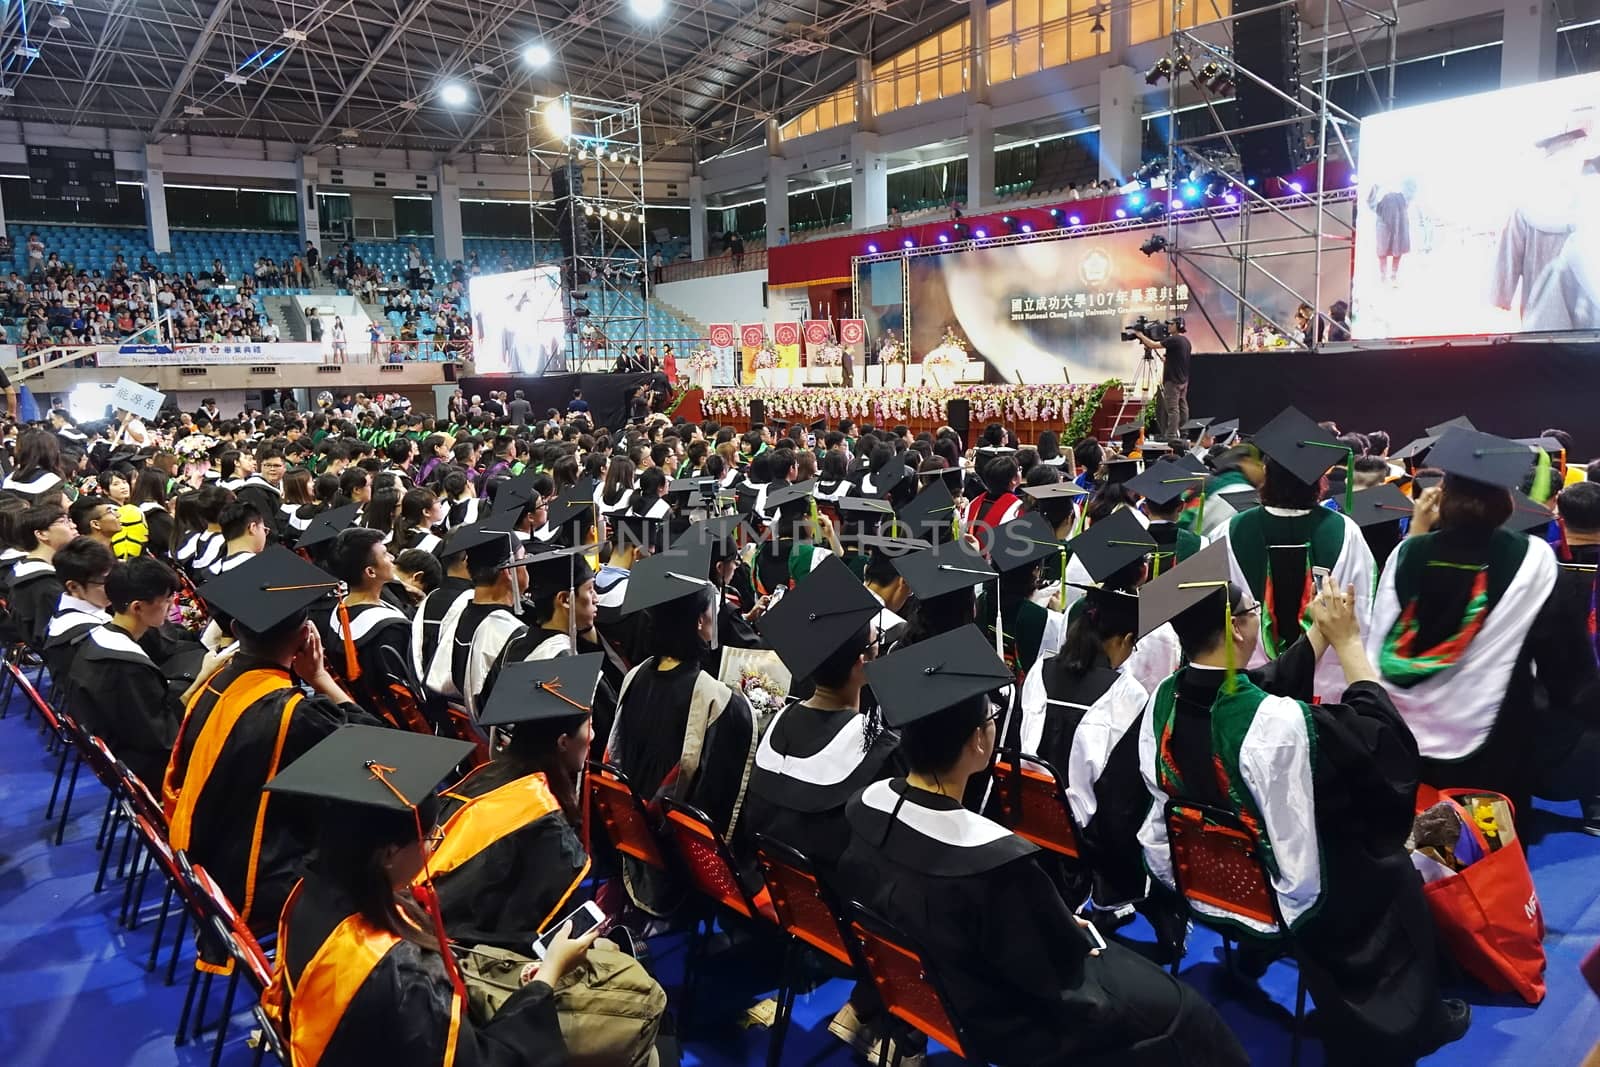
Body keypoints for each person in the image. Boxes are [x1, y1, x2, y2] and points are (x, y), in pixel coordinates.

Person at [840, 625, 1249, 1066]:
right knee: (1185, 1014)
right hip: (1003, 1019)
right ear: (978, 741)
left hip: (927, 992)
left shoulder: (865, 809)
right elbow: (1060, 978)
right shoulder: (995, 863)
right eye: (989, 720)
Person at [1136, 545, 1469, 1066]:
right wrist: (1350, 643)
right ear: (1240, 630)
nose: (1252, 621)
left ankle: (1251, 953)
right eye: (1249, 613)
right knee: (1391, 864)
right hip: (1283, 894)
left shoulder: (1164, 699)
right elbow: (1383, 745)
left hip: (1205, 879)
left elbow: (1256, 691)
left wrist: (1319, 630)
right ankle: (1411, 1021)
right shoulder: (1276, 725)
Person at [259, 727, 585, 1067]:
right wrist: (548, 976)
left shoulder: (309, 893)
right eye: (431, 837)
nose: (432, 847)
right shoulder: (402, 973)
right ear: (388, 854)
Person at [1368, 429, 1600, 825]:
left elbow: (1381, 639)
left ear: (1443, 493)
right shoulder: (1533, 559)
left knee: (1420, 843)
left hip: (1407, 738)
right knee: (1486, 855)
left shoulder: (1407, 553)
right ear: (1507, 499)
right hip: (1496, 740)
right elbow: (1564, 664)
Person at [163, 548, 372, 939]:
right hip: (258, 878)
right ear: (304, 636)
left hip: (204, 856)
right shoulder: (293, 713)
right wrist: (322, 678)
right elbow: (375, 752)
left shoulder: (217, 682)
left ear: (237, 631)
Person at [605, 543, 758, 913]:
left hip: (632, 839)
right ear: (700, 623)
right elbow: (720, 804)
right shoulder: (717, 699)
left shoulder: (635, 675)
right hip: (680, 861)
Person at [433, 655, 600, 947]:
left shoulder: (488, 774)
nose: (593, 736)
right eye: (588, 727)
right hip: (457, 947)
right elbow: (533, 931)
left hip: (430, 914)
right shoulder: (544, 820)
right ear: (562, 742)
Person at [1216, 408, 1374, 701]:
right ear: (1318, 481)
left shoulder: (1230, 531)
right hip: (1323, 687)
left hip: (1249, 683)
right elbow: (1360, 609)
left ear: (1268, 476)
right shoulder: (1346, 532)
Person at [66, 558, 185, 790]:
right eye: (166, 599)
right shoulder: (124, 667)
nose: (172, 605)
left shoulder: (97, 640)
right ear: (137, 607)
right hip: (145, 768)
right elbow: (162, 738)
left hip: (129, 745)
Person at [41, 536, 114, 680]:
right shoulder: (83, 635)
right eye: (105, 581)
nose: (114, 586)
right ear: (73, 586)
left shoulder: (63, 612)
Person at [6, 502, 75, 649]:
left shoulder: (25, 570)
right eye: (63, 522)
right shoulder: (43, 583)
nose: (73, 526)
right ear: (41, 534)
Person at [1132, 317, 1191, 440]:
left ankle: (1171, 436)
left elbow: (1153, 345)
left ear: (1177, 326)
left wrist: (1140, 335)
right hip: (1183, 380)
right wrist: (1167, 360)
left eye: (1171, 324)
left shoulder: (1173, 339)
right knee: (1182, 406)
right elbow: (1179, 358)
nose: (1168, 326)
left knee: (1173, 409)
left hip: (1172, 380)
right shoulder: (1185, 341)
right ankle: (1184, 433)